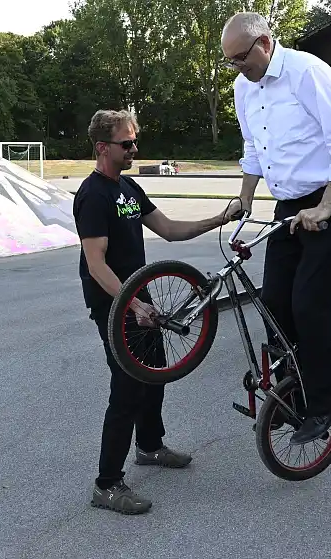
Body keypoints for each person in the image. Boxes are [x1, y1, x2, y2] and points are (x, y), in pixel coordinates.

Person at [73, 109, 232, 515]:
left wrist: (220, 218)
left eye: (135, 141)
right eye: (127, 144)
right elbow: (96, 264)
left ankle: (149, 446)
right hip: (114, 304)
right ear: (102, 147)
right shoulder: (92, 196)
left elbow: (169, 229)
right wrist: (135, 303)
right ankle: (106, 484)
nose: (134, 149)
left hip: (140, 301)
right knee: (127, 389)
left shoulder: (129, 189)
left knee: (156, 373)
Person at [220, 12, 331, 446]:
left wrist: (324, 207)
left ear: (265, 43)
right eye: (230, 62)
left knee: (307, 301)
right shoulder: (243, 87)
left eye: (241, 58)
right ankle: (293, 395)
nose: (237, 68)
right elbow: (252, 146)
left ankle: (322, 406)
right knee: (273, 301)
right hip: (290, 205)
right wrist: (245, 197)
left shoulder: (308, 72)